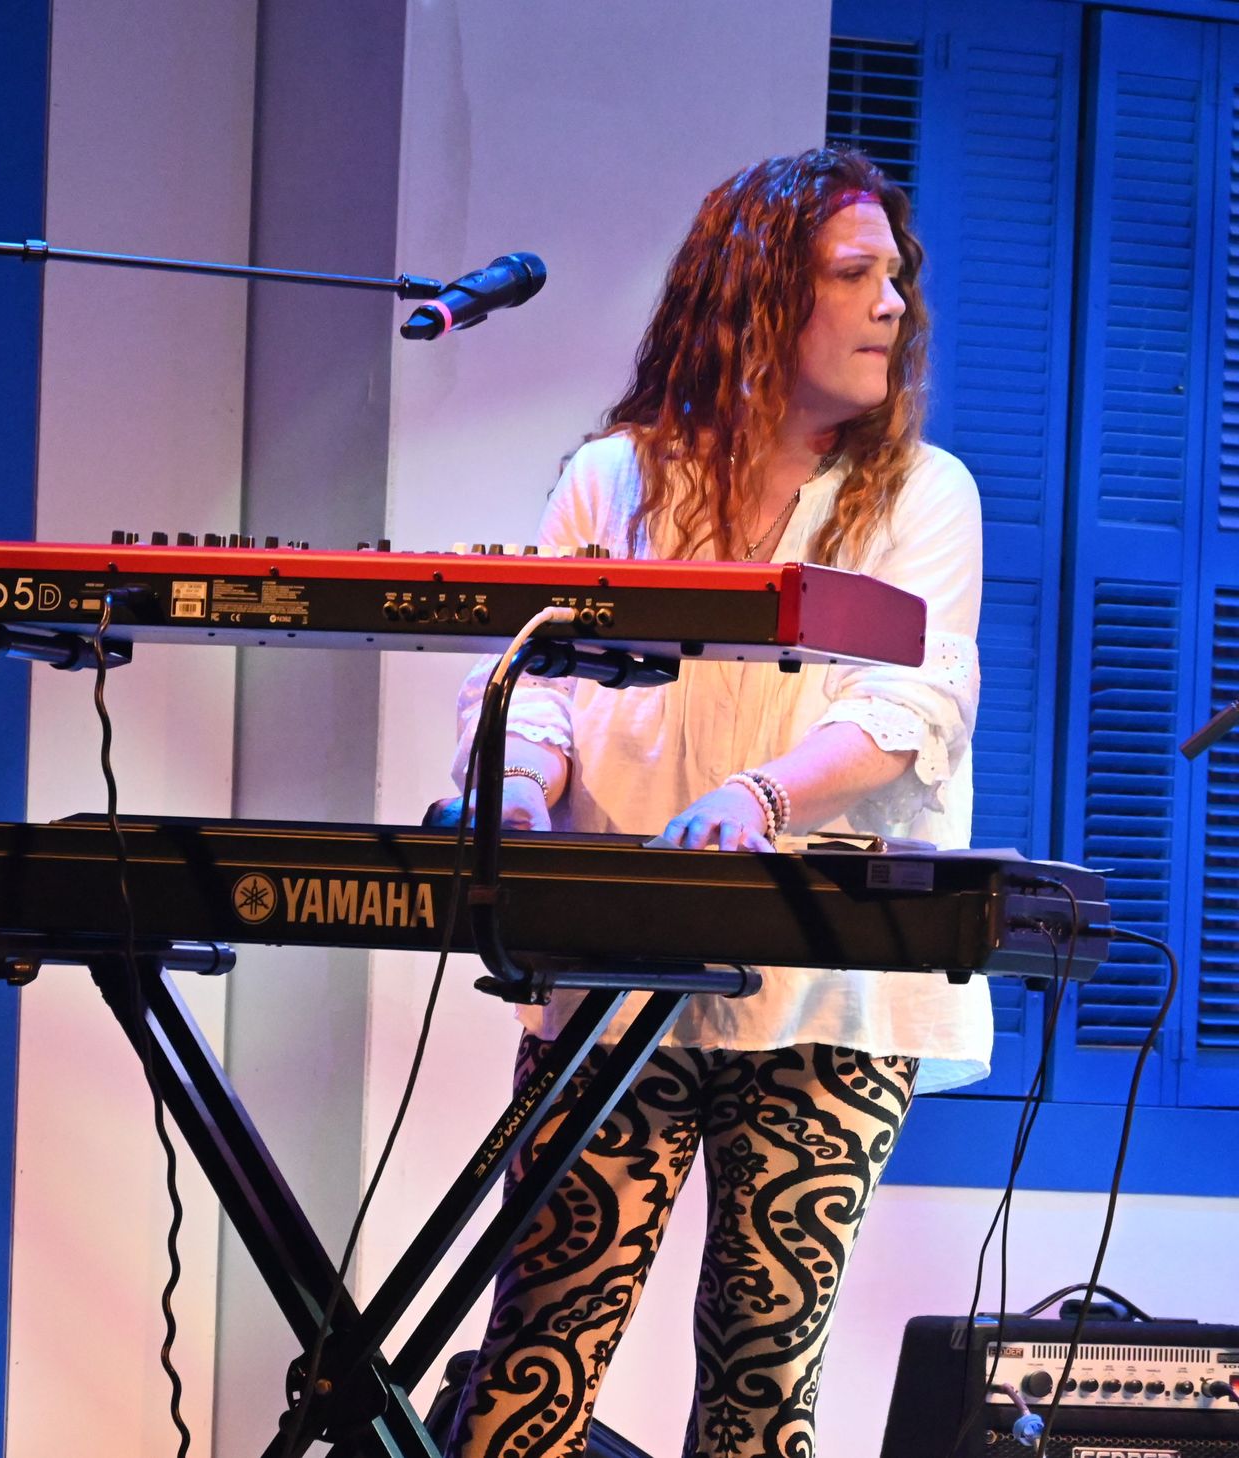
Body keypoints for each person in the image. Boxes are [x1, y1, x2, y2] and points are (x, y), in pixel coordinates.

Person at [436, 148, 987, 1458]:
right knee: (530, 1369)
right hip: (615, 974)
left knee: (760, 1389)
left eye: (896, 276)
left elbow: (912, 704)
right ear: (756, 297)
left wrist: (761, 793)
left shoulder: (925, 494)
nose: (893, 303)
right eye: (854, 275)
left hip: (828, 996)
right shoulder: (612, 479)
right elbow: (540, 683)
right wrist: (515, 793)